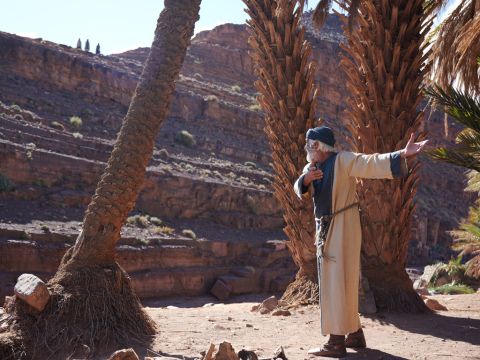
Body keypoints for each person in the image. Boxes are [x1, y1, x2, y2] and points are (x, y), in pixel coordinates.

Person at [293, 126, 428, 358]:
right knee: (342, 279)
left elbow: (370, 163)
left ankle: (335, 342)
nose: (307, 148)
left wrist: (402, 155)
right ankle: (354, 333)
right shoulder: (311, 167)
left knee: (336, 280)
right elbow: (300, 189)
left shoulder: (343, 161)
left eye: (311, 144)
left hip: (344, 226)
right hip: (326, 228)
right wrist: (306, 179)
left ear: (320, 146)